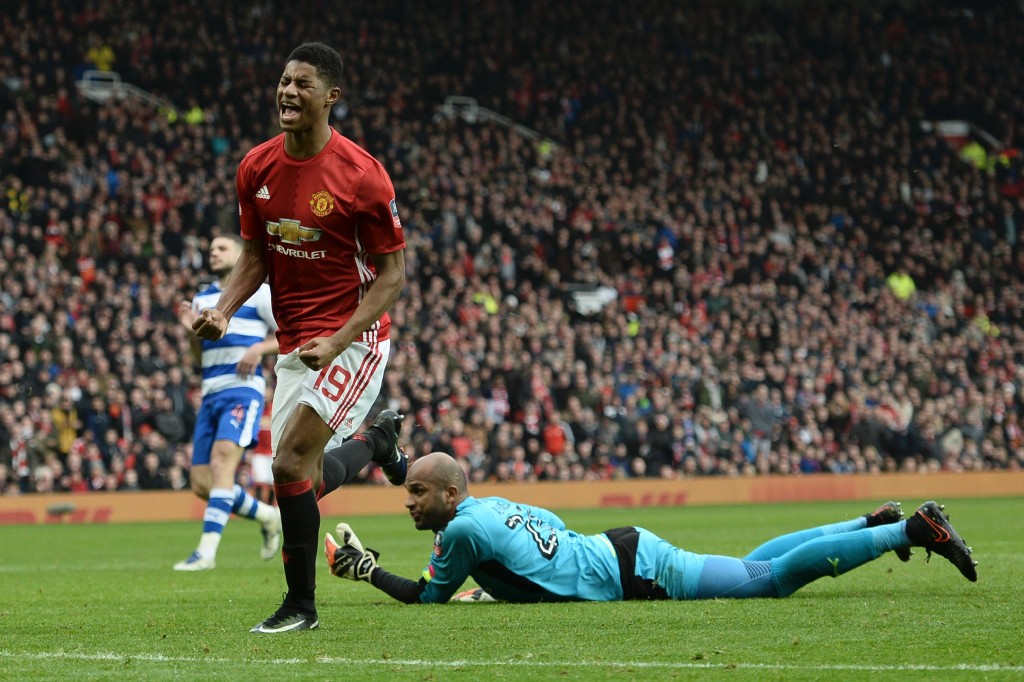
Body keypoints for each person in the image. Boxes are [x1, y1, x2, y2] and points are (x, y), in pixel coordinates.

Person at [192, 42, 408, 633]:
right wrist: (225, 309)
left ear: (330, 97)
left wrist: (340, 339)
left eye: (302, 84)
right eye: (284, 82)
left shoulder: (362, 176)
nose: (287, 92)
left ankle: (301, 607)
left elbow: (392, 275)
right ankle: (377, 445)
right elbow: (257, 256)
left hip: (354, 338)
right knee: (302, 480)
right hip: (294, 343)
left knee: (287, 463)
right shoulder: (256, 167)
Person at [324, 451, 978, 605]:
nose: (405, 501)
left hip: (632, 569)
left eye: (415, 493)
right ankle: (865, 522)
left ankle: (911, 532)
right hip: (618, 548)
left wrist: (365, 569)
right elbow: (549, 525)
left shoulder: (461, 534)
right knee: (751, 563)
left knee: (768, 583)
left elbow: (429, 599)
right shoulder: (486, 506)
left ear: (447, 493)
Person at [173, 234, 283, 572]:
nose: (214, 253)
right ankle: (268, 516)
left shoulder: (260, 292)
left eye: (222, 248)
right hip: (210, 392)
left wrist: (258, 349)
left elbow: (290, 333)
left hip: (242, 389)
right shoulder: (202, 299)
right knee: (203, 484)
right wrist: (191, 332)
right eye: (211, 249)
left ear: (241, 254)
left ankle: (205, 553)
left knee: (223, 466)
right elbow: (197, 354)